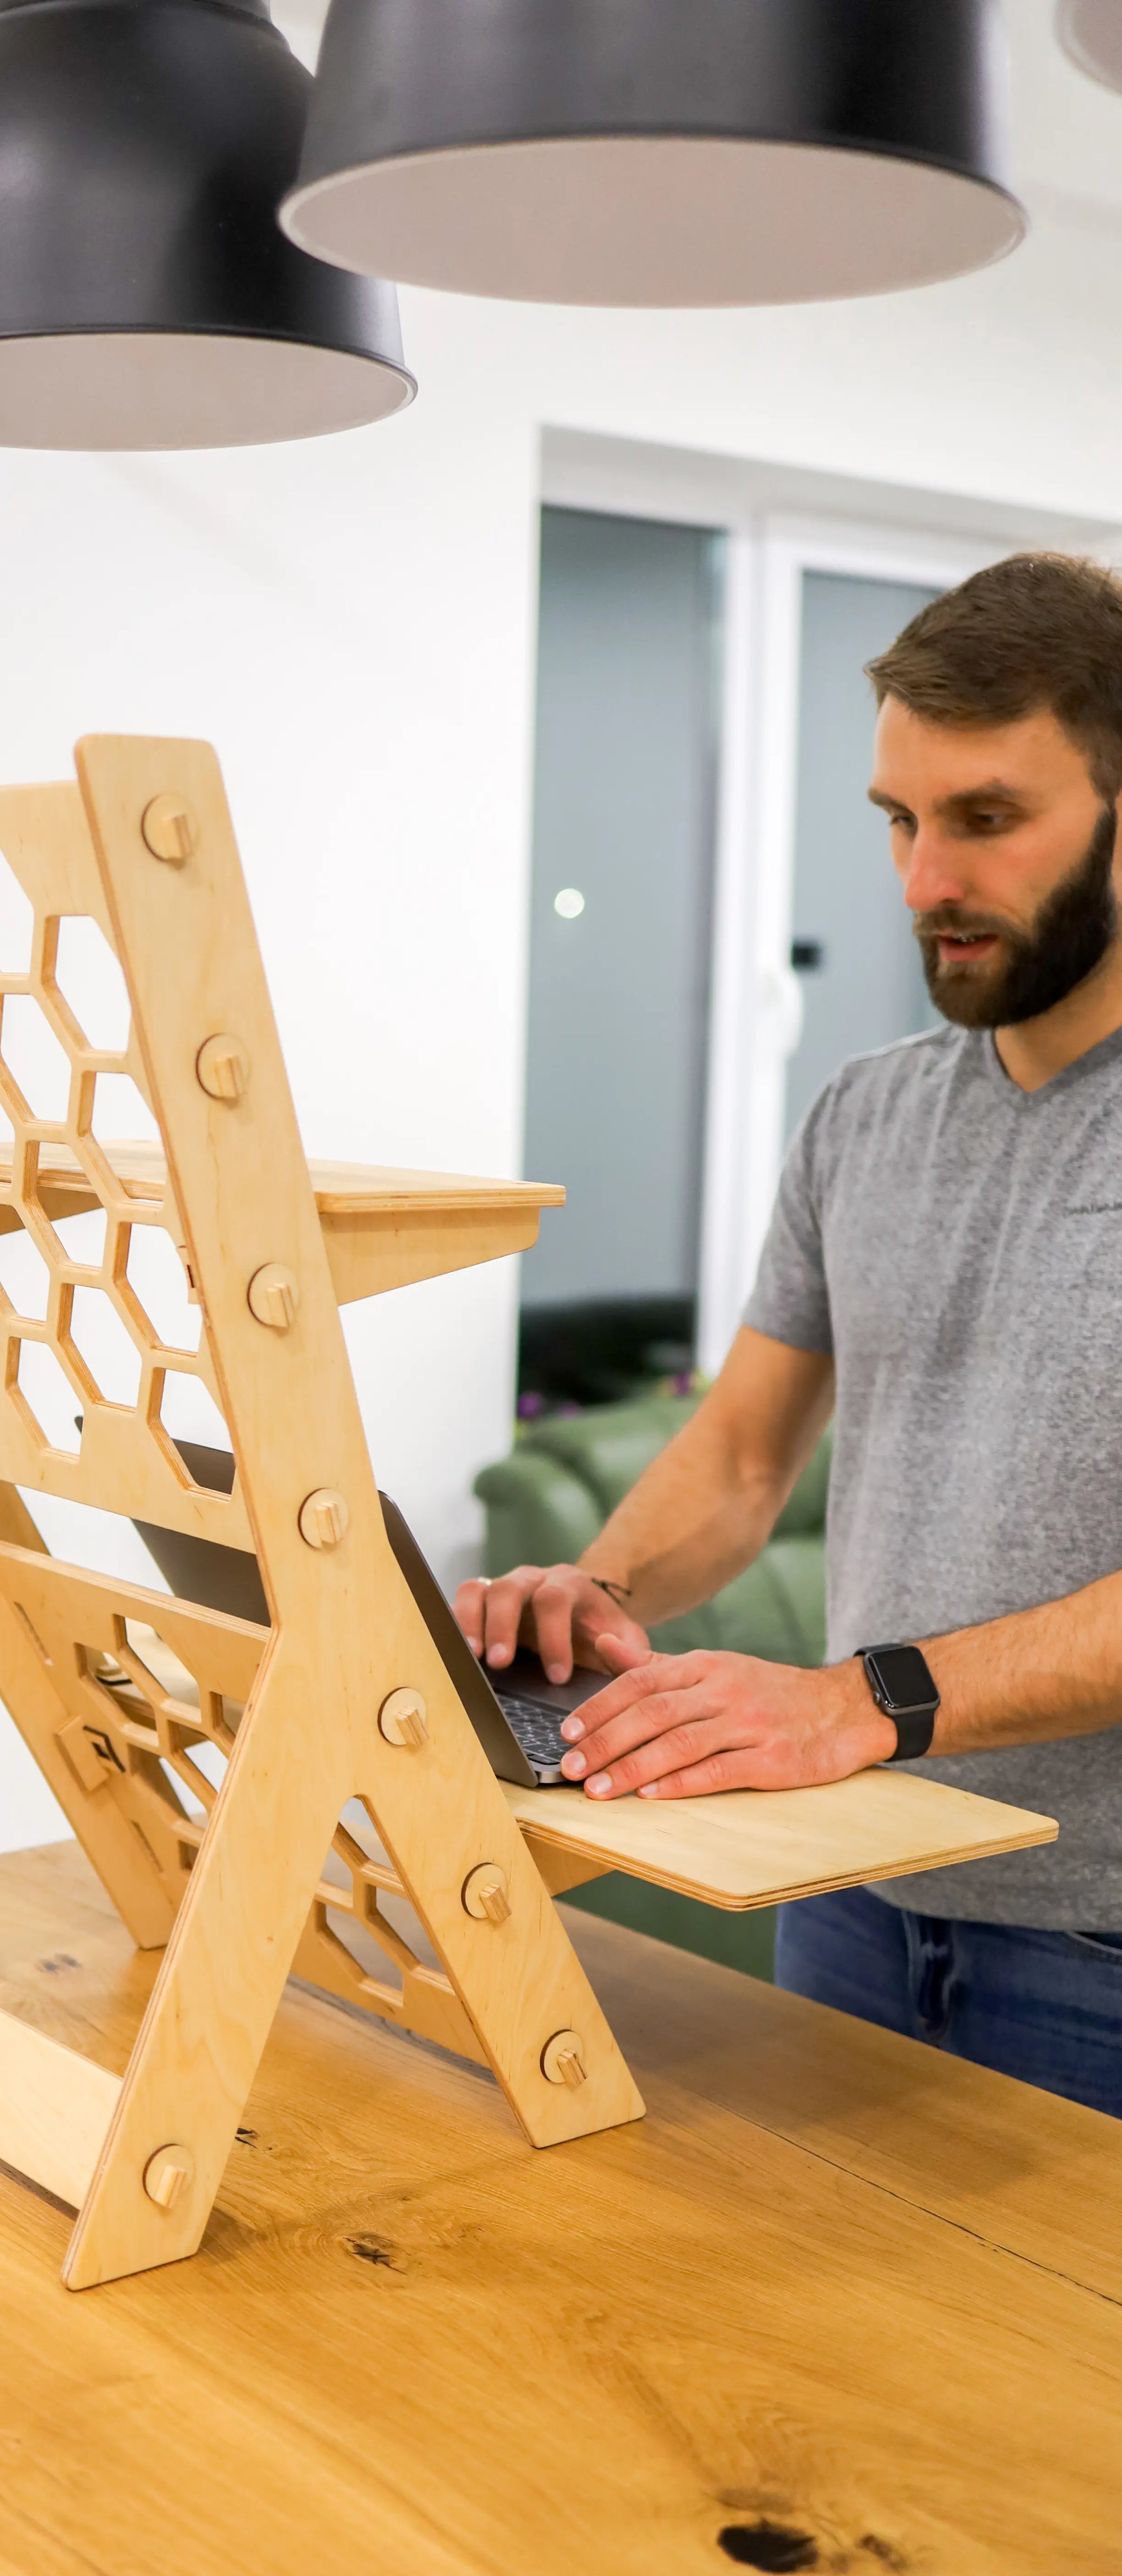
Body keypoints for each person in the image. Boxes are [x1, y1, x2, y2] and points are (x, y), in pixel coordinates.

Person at [457, 552, 1122, 2118]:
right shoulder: (864, 1115)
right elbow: (745, 1455)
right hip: (843, 1882)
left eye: (984, 819)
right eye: (898, 820)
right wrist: (599, 1596)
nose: (920, 882)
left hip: (1098, 1940)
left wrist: (856, 1700)